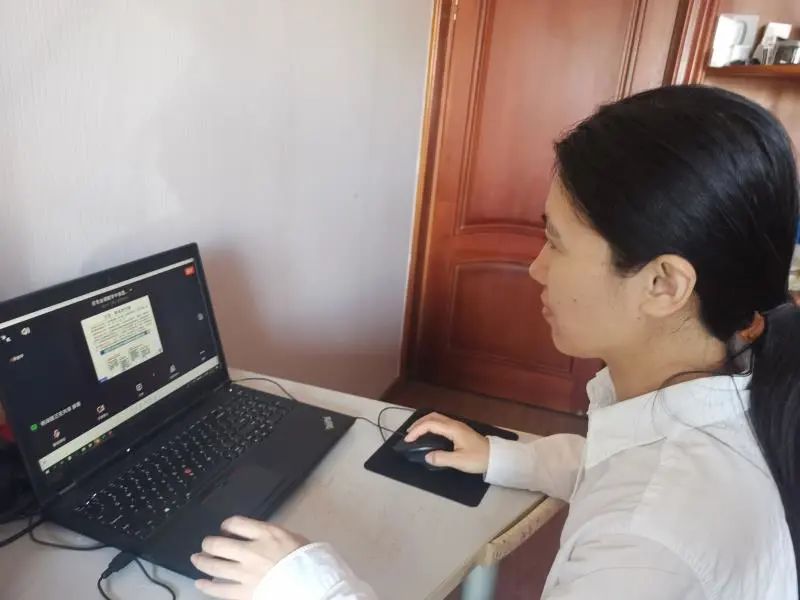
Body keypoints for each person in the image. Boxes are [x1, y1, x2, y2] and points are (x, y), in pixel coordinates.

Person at [189, 85, 800, 599]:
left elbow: (641, 491)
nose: (536, 268)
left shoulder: (645, 548)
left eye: (556, 242)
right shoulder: (737, 379)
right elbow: (619, 462)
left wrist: (308, 586)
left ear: (663, 284)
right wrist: (504, 458)